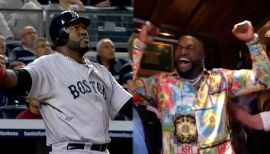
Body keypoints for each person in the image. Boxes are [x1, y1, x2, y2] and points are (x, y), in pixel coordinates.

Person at [0, 10, 132, 154]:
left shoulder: (101, 71)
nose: (83, 32)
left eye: (84, 27)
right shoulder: (48, 64)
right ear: (60, 35)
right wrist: (2, 73)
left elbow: (129, 106)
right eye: (75, 28)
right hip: (70, 150)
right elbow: (18, 80)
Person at [132, 20, 270, 154]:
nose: (182, 52)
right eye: (179, 48)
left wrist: (252, 41)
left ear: (202, 55)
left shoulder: (222, 78)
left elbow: (264, 79)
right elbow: (124, 90)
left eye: (189, 47)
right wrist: (139, 45)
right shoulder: (161, 84)